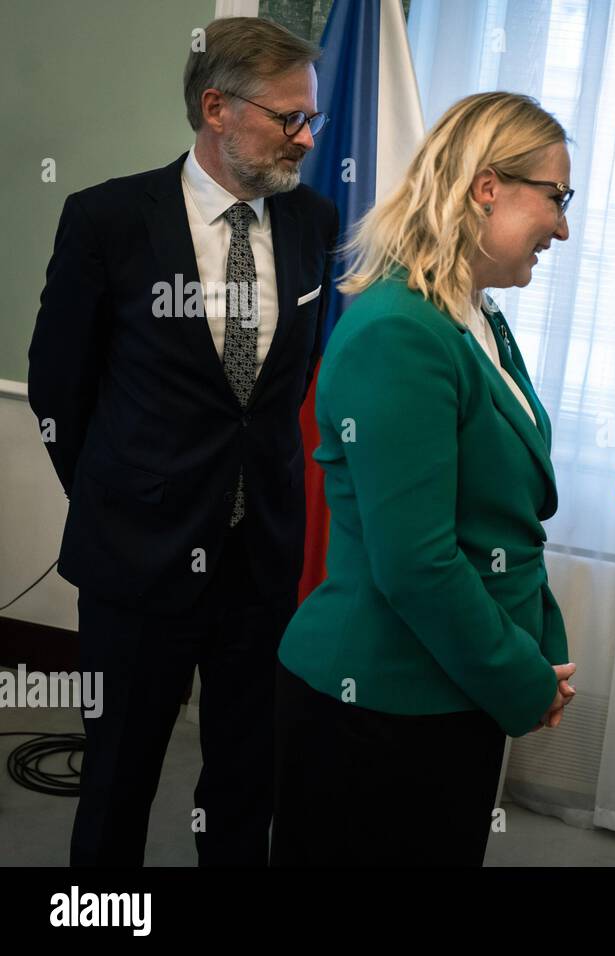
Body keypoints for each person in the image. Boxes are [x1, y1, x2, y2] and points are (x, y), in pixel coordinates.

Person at [27, 17, 339, 866]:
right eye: (289, 119)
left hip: (261, 562)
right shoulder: (108, 220)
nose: (308, 138)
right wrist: (121, 495)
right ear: (217, 108)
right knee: (118, 782)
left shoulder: (313, 219)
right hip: (136, 562)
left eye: (309, 118)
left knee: (246, 782)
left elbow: (287, 389)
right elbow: (58, 384)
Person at [271, 92, 577, 867]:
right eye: (557, 198)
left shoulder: (472, 315)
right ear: (487, 188)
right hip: (379, 705)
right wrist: (520, 678)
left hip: (449, 689)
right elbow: (417, 563)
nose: (564, 227)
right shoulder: (401, 332)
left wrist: (536, 651)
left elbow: (501, 523)